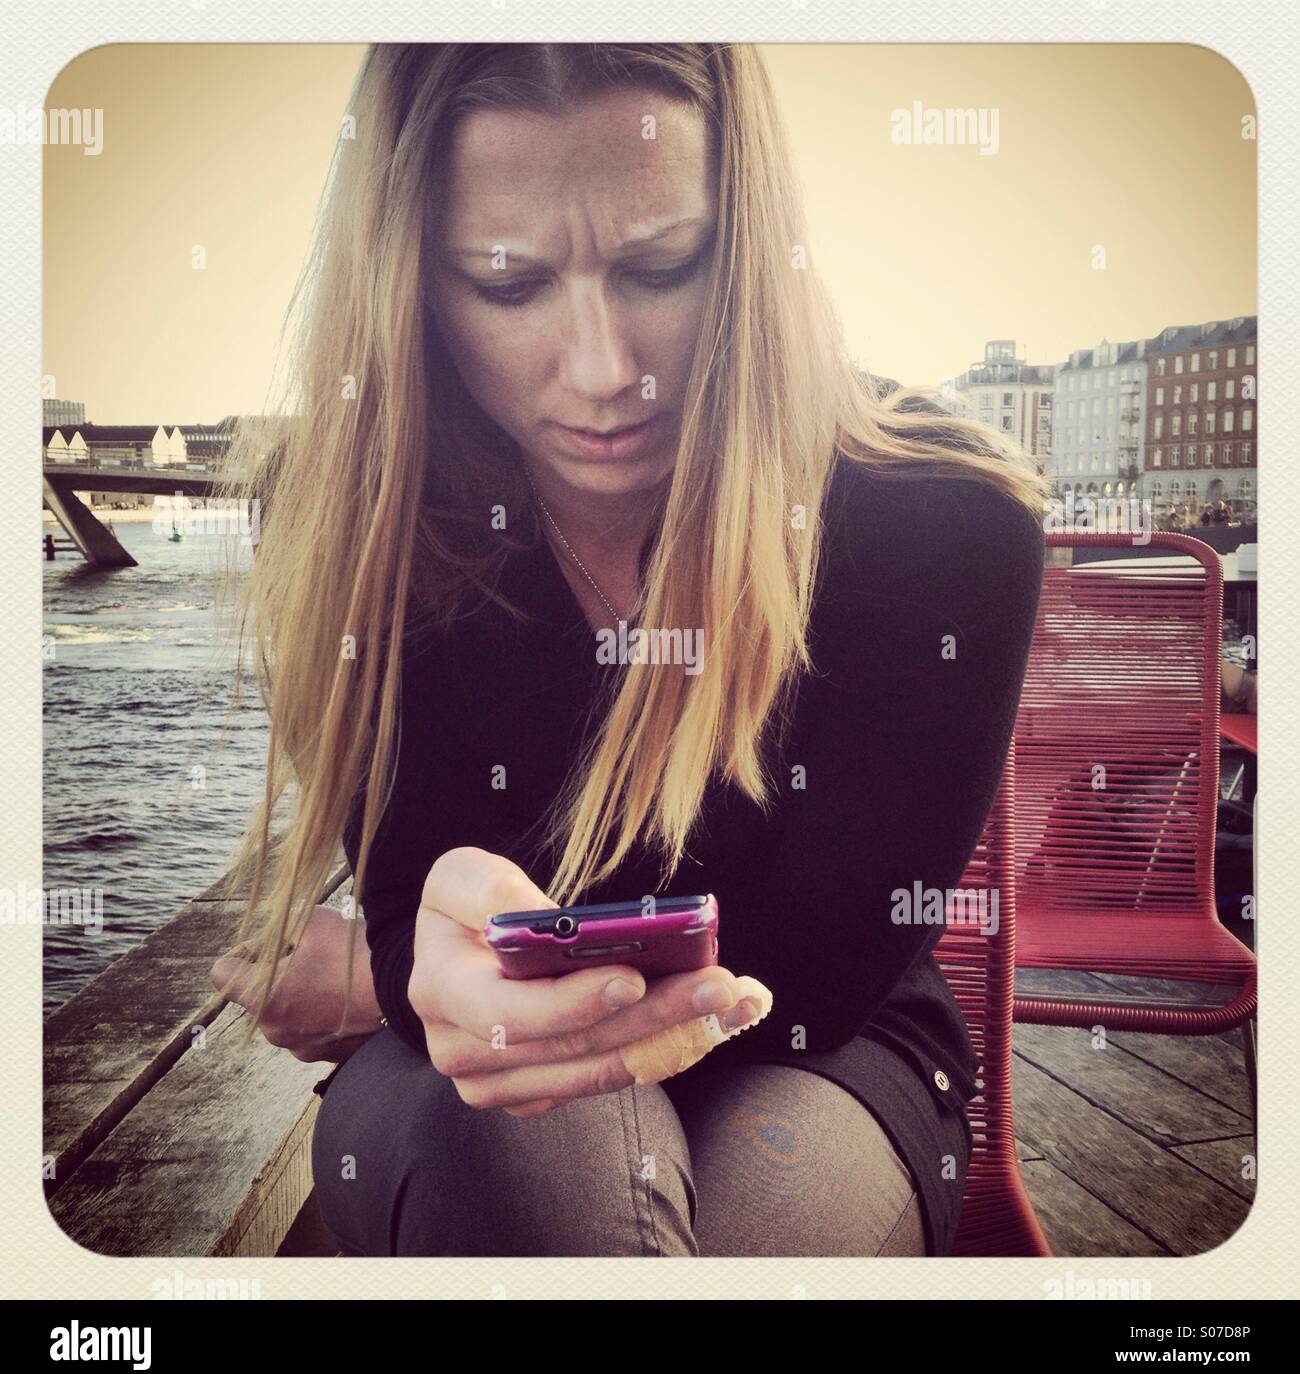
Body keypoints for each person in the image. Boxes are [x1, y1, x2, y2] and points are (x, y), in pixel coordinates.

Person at [210, 42, 1048, 1259]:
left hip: (833, 1054)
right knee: (524, 1161)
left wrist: (373, 986)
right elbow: (409, 896)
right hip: (476, 1089)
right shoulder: (357, 506)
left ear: (753, 237)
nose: (605, 373)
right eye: (505, 281)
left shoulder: (940, 514)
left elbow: (811, 982)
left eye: (663, 265)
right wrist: (416, 967)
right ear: (405, 279)